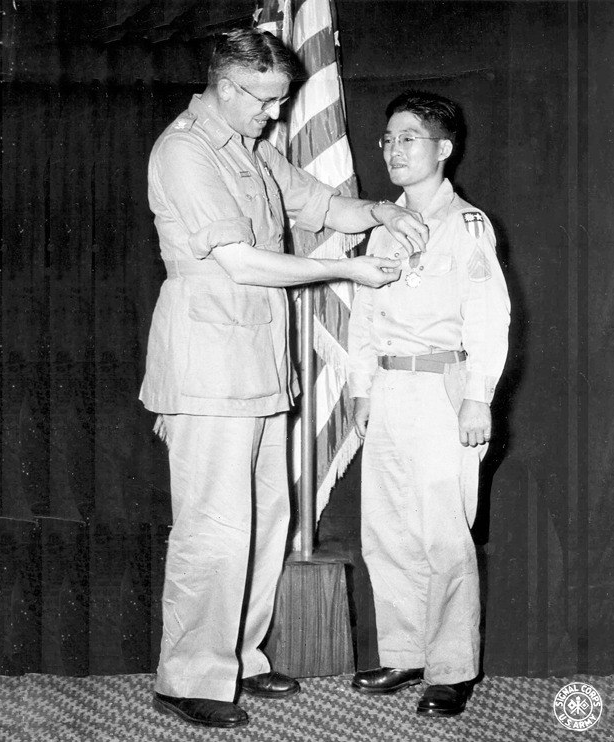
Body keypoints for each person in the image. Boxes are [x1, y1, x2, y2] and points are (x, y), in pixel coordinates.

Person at [139, 29, 429, 729]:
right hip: (208, 365)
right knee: (213, 527)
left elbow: (325, 207)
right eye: (265, 101)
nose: (273, 115)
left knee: (268, 519)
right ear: (228, 88)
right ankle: (190, 677)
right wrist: (346, 269)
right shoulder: (185, 150)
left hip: (262, 365)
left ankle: (239, 658)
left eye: (279, 101)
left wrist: (382, 211)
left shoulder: (250, 149)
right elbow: (242, 262)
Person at [348, 90, 510, 716]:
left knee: (443, 532)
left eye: (409, 137)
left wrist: (478, 400)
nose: (394, 149)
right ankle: (405, 650)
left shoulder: (467, 225)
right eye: (388, 138)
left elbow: (488, 320)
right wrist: (362, 390)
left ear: (443, 149)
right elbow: (365, 315)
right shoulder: (384, 228)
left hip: (443, 389)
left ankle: (450, 667)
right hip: (388, 389)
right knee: (386, 529)